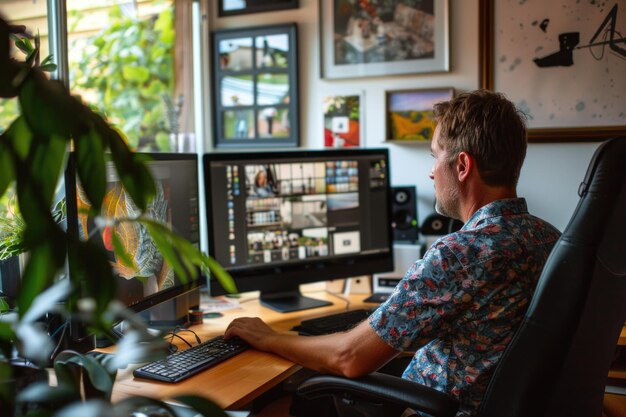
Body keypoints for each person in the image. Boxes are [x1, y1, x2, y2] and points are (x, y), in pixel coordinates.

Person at [225, 90, 561, 416]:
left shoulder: (459, 255)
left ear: (461, 165)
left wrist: (267, 337)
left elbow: (348, 357)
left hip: (438, 410)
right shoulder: (549, 239)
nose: (431, 172)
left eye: (434, 156)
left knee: (277, 405)